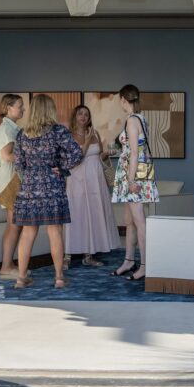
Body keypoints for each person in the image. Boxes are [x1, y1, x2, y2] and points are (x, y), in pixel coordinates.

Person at [12, 94, 83, 289]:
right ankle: (59, 278)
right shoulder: (58, 131)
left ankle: (21, 278)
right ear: (50, 110)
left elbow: (18, 164)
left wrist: (30, 176)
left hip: (29, 188)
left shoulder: (22, 134)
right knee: (54, 230)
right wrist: (62, 167)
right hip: (52, 186)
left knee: (28, 232)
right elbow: (77, 153)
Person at [110, 84, 160, 281]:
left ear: (123, 99)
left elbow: (134, 154)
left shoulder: (132, 120)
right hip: (135, 173)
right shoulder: (141, 118)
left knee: (139, 222)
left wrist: (130, 180)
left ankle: (146, 265)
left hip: (133, 175)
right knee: (129, 221)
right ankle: (129, 261)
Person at [65, 104, 120, 267]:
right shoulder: (68, 136)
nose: (83, 117)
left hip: (95, 180)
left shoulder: (95, 133)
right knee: (76, 214)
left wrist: (107, 154)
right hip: (77, 179)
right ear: (75, 116)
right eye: (80, 114)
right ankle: (67, 255)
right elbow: (75, 159)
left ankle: (88, 255)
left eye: (86, 115)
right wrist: (87, 141)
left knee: (93, 215)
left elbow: (99, 156)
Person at [0, 93, 25, 280]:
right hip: (11, 179)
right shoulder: (6, 128)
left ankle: (9, 264)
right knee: (13, 225)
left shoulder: (12, 128)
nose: (23, 109)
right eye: (20, 106)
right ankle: (6, 267)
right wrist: (31, 156)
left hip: (14, 178)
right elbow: (7, 156)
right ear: (8, 108)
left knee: (15, 224)